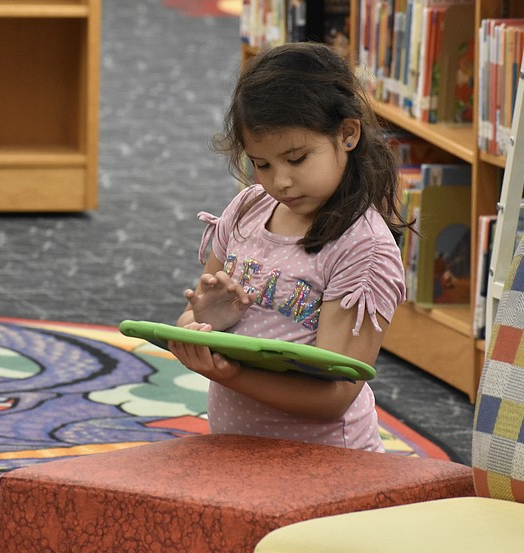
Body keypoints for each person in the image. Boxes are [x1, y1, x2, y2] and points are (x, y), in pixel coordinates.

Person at [167, 42, 410, 451]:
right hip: (237, 451)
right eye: (261, 164)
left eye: (296, 159)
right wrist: (204, 321)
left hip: (328, 464)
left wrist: (230, 375)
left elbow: (335, 396)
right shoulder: (246, 211)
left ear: (347, 134)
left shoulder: (363, 249)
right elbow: (187, 322)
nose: (278, 181)